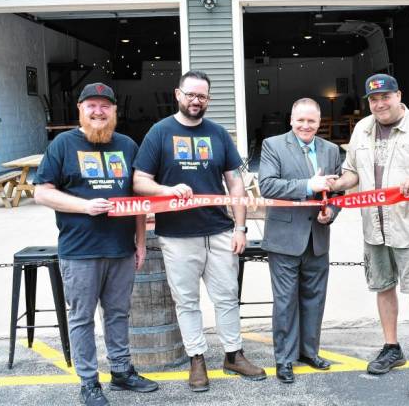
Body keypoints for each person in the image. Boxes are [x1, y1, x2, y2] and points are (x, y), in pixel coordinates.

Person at [132, 70, 266, 392]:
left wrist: (240, 227)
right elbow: (139, 181)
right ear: (178, 95)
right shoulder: (159, 133)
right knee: (187, 302)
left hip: (219, 231)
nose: (196, 100)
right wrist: (166, 190)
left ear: (208, 99)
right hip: (177, 235)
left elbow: (235, 182)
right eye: (190, 94)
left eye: (202, 96)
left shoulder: (218, 134)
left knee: (227, 298)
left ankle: (233, 355)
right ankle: (197, 360)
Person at [330, 74, 409, 398]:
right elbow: (352, 173)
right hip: (374, 227)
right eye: (373, 99)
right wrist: (334, 185)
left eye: (385, 96)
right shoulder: (362, 129)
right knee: (383, 289)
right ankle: (392, 347)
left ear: (398, 95)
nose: (380, 104)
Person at [34, 82, 158, 406]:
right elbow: (41, 191)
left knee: (118, 314)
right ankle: (89, 383)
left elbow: (139, 199)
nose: (99, 111)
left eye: (106, 106)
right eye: (92, 105)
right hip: (80, 251)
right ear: (81, 109)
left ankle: (121, 371)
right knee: (82, 318)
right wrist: (82, 206)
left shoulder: (128, 145)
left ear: (114, 111)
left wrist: (141, 243)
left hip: (121, 249)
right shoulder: (62, 145)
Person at [258, 98, 342, 383]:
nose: (306, 126)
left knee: (315, 298)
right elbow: (267, 185)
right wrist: (309, 186)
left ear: (319, 122)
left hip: (318, 236)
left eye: (312, 121)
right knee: (285, 301)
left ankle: (309, 351)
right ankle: (284, 358)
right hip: (284, 238)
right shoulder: (273, 145)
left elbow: (339, 191)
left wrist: (331, 211)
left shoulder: (331, 150)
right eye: (301, 120)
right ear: (291, 120)